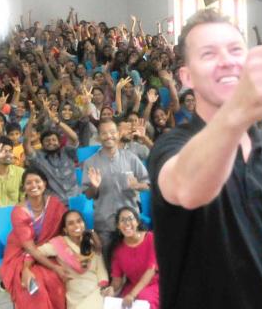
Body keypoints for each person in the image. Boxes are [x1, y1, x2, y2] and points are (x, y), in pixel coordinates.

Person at [147, 10, 262, 308]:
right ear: (186, 76)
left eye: (236, 50)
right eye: (208, 54)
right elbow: (188, 187)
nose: (226, 61)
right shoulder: (171, 147)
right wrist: (239, 109)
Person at [82, 119, 150, 261]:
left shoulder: (131, 158)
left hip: (130, 221)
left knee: (136, 260)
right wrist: (95, 186)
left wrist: (139, 186)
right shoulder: (90, 163)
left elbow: (148, 184)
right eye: (104, 133)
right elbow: (88, 195)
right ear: (98, 137)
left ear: (118, 134)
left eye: (112, 132)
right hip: (105, 223)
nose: (109, 136)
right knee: (109, 261)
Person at [1, 167, 68, 309]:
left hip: (47, 249)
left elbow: (66, 227)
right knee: (36, 289)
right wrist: (55, 268)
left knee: (57, 281)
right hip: (21, 254)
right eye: (28, 183)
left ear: (44, 184)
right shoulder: (19, 212)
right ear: (24, 188)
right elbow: (30, 248)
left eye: (37, 181)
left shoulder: (54, 204)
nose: (33, 186)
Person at [36, 210, 112, 309]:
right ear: (65, 230)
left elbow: (101, 269)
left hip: (97, 291)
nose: (76, 225)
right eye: (71, 223)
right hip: (76, 295)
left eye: (79, 221)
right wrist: (54, 267)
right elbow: (36, 253)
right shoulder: (59, 244)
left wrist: (103, 287)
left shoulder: (91, 242)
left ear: (84, 224)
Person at [24, 103, 81, 202]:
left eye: (54, 140)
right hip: (54, 204)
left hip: (75, 199)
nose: (51, 143)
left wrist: (57, 122)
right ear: (42, 144)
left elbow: (74, 138)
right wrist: (31, 120)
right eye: (47, 141)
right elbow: (26, 144)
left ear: (59, 143)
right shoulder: (38, 157)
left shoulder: (67, 152)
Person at [108, 206, 160, 309]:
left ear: (137, 222)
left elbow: (151, 271)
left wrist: (132, 294)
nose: (127, 223)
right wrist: (111, 288)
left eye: (130, 219)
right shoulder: (118, 249)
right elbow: (117, 280)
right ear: (118, 226)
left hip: (154, 284)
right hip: (132, 287)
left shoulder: (151, 238)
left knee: (144, 299)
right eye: (122, 220)